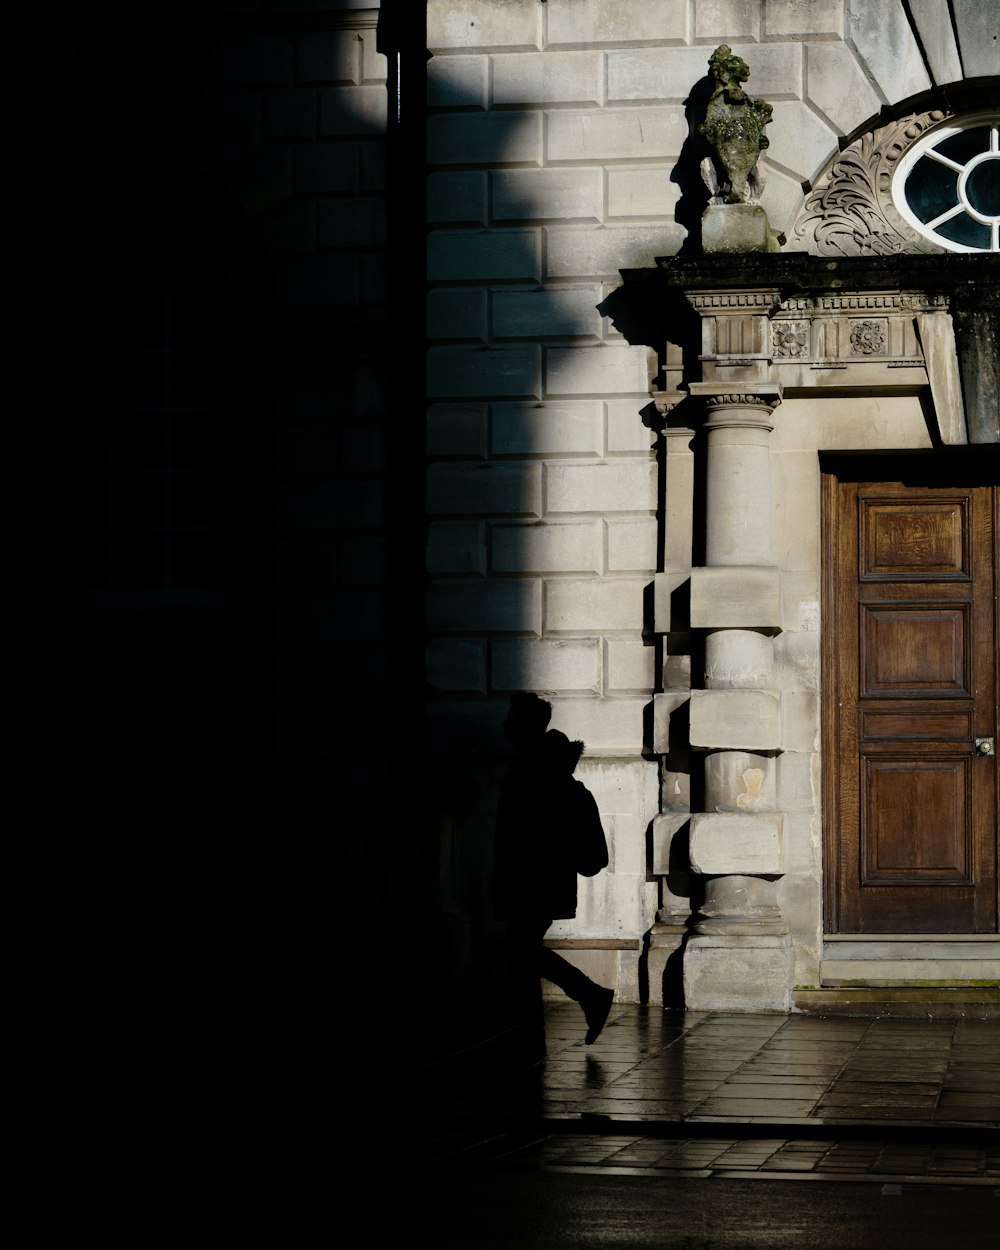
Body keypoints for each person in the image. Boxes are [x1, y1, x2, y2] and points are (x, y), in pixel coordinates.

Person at [492, 692, 614, 1063]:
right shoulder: (536, 768)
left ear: (525, 723)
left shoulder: (534, 772)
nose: (503, 723)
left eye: (511, 716)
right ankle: (533, 1035)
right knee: (521, 954)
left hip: (535, 884)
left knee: (519, 950)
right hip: (536, 884)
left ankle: (589, 995)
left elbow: (531, 838)